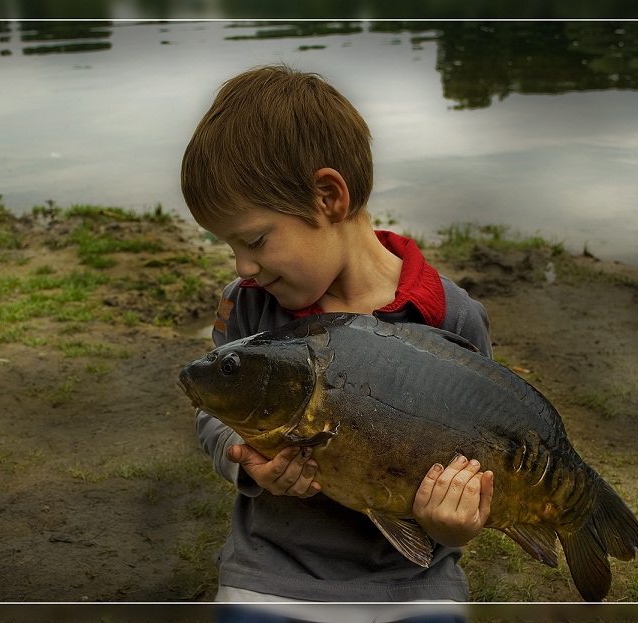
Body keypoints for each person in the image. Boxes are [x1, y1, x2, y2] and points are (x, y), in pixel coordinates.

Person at [180, 65, 494, 623]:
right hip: (275, 573)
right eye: (229, 246)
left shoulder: (452, 316)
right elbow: (212, 412)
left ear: (328, 197)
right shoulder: (250, 305)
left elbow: (484, 462)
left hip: (414, 582)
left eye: (253, 240)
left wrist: (457, 521)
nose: (243, 265)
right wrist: (247, 461)